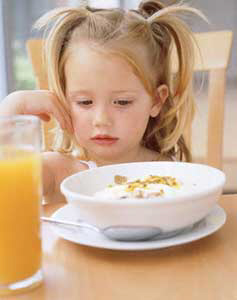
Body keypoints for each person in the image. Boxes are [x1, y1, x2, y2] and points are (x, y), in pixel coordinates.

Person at [0, 0, 205, 202]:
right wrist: (11, 109)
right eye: (84, 102)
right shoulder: (58, 170)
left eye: (122, 102)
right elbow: (6, 186)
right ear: (63, 99)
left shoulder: (165, 168)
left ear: (156, 101)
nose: (101, 120)